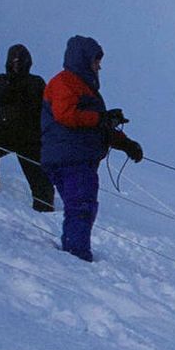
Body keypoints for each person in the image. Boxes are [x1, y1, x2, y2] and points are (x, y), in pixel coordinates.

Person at [39, 35, 144, 262]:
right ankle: (76, 256)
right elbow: (66, 115)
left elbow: (95, 124)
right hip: (70, 158)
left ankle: (75, 252)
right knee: (81, 206)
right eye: (96, 60)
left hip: (75, 157)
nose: (99, 66)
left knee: (81, 206)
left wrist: (126, 144)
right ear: (83, 59)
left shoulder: (84, 87)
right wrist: (101, 118)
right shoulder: (65, 82)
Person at [0, 43, 55, 212]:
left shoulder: (36, 82)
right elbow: (4, 92)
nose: (18, 64)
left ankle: (45, 217)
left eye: (21, 61)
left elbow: (48, 106)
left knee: (42, 184)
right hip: (6, 133)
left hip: (31, 138)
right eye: (15, 61)